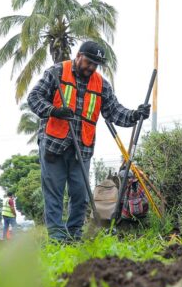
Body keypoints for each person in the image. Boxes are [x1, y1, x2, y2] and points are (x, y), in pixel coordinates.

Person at [27, 41, 150, 242]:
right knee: (54, 193)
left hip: (82, 148)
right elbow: (34, 98)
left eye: (95, 64)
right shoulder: (56, 72)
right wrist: (53, 110)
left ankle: (74, 234)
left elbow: (114, 111)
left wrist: (135, 114)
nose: (91, 67)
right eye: (88, 62)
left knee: (80, 194)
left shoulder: (101, 84)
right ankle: (57, 237)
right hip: (53, 144)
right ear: (78, 55)